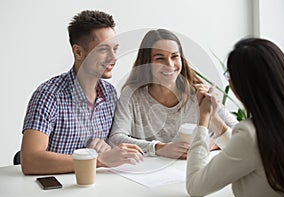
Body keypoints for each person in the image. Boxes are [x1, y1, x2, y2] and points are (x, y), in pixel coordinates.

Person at [20, 10, 143, 175]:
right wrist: (98, 160)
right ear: (78, 52)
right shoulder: (48, 95)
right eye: (103, 50)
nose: (114, 58)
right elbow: (30, 161)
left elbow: (112, 146)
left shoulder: (110, 94)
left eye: (115, 49)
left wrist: (108, 149)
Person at [186, 38, 284, 197]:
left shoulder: (251, 134)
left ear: (244, 84)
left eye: (229, 75)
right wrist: (214, 118)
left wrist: (203, 119)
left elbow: (195, 186)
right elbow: (247, 152)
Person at [109, 29, 237, 159]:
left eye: (174, 56)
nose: (170, 65)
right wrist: (159, 148)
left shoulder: (197, 92)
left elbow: (237, 133)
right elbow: (116, 138)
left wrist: (209, 144)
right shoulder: (132, 94)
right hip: (148, 173)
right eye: (160, 58)